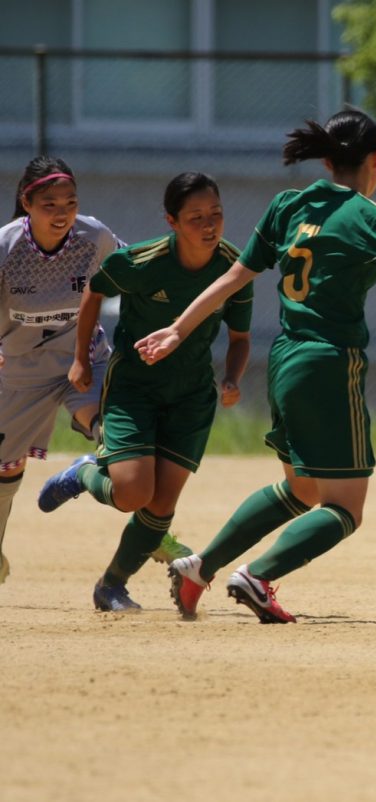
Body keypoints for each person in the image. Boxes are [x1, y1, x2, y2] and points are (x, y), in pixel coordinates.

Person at [137, 108, 376, 623]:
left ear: (326, 160)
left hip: (283, 359)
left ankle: (199, 567)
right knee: (344, 507)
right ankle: (258, 576)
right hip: (327, 364)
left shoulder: (288, 205)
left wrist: (178, 328)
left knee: (300, 489)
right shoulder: (370, 217)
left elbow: (234, 276)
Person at [37, 172, 251, 612]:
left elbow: (240, 338)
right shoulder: (140, 262)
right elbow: (93, 294)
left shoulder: (233, 267)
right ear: (171, 220)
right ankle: (84, 474)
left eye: (216, 214)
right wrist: (80, 358)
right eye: (195, 217)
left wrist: (232, 378)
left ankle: (112, 584)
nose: (209, 225)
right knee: (133, 493)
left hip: (191, 395)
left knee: (161, 504)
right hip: (135, 388)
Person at [0, 157, 168, 588]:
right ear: (27, 204)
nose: (62, 213)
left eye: (70, 203)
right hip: (19, 371)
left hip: (83, 360)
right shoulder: (6, 247)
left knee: (117, 443)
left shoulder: (93, 237)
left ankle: (156, 539)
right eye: (50, 204)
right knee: (5, 469)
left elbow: (134, 270)